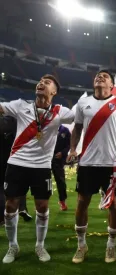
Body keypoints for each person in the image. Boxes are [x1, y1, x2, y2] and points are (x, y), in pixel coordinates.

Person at [0, 75, 74, 263]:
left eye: (47, 82)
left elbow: (83, 116)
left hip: (41, 167)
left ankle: (40, 245)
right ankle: (13, 245)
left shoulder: (60, 111)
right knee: (10, 205)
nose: (41, 83)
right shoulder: (20, 105)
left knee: (42, 206)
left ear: (54, 92)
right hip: (17, 163)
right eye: (40, 81)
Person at [67, 70, 116, 264]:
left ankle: (111, 246)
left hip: (112, 164)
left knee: (114, 204)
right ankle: (81, 245)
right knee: (82, 203)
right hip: (87, 162)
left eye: (105, 76)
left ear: (111, 86)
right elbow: (78, 128)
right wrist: (73, 149)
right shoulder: (83, 103)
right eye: (98, 76)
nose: (100, 77)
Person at [52, 125, 71, 211]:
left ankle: (62, 201)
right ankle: (41, 200)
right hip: (45, 158)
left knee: (60, 181)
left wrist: (63, 153)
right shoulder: (46, 127)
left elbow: (69, 145)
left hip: (58, 159)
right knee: (43, 181)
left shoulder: (65, 130)